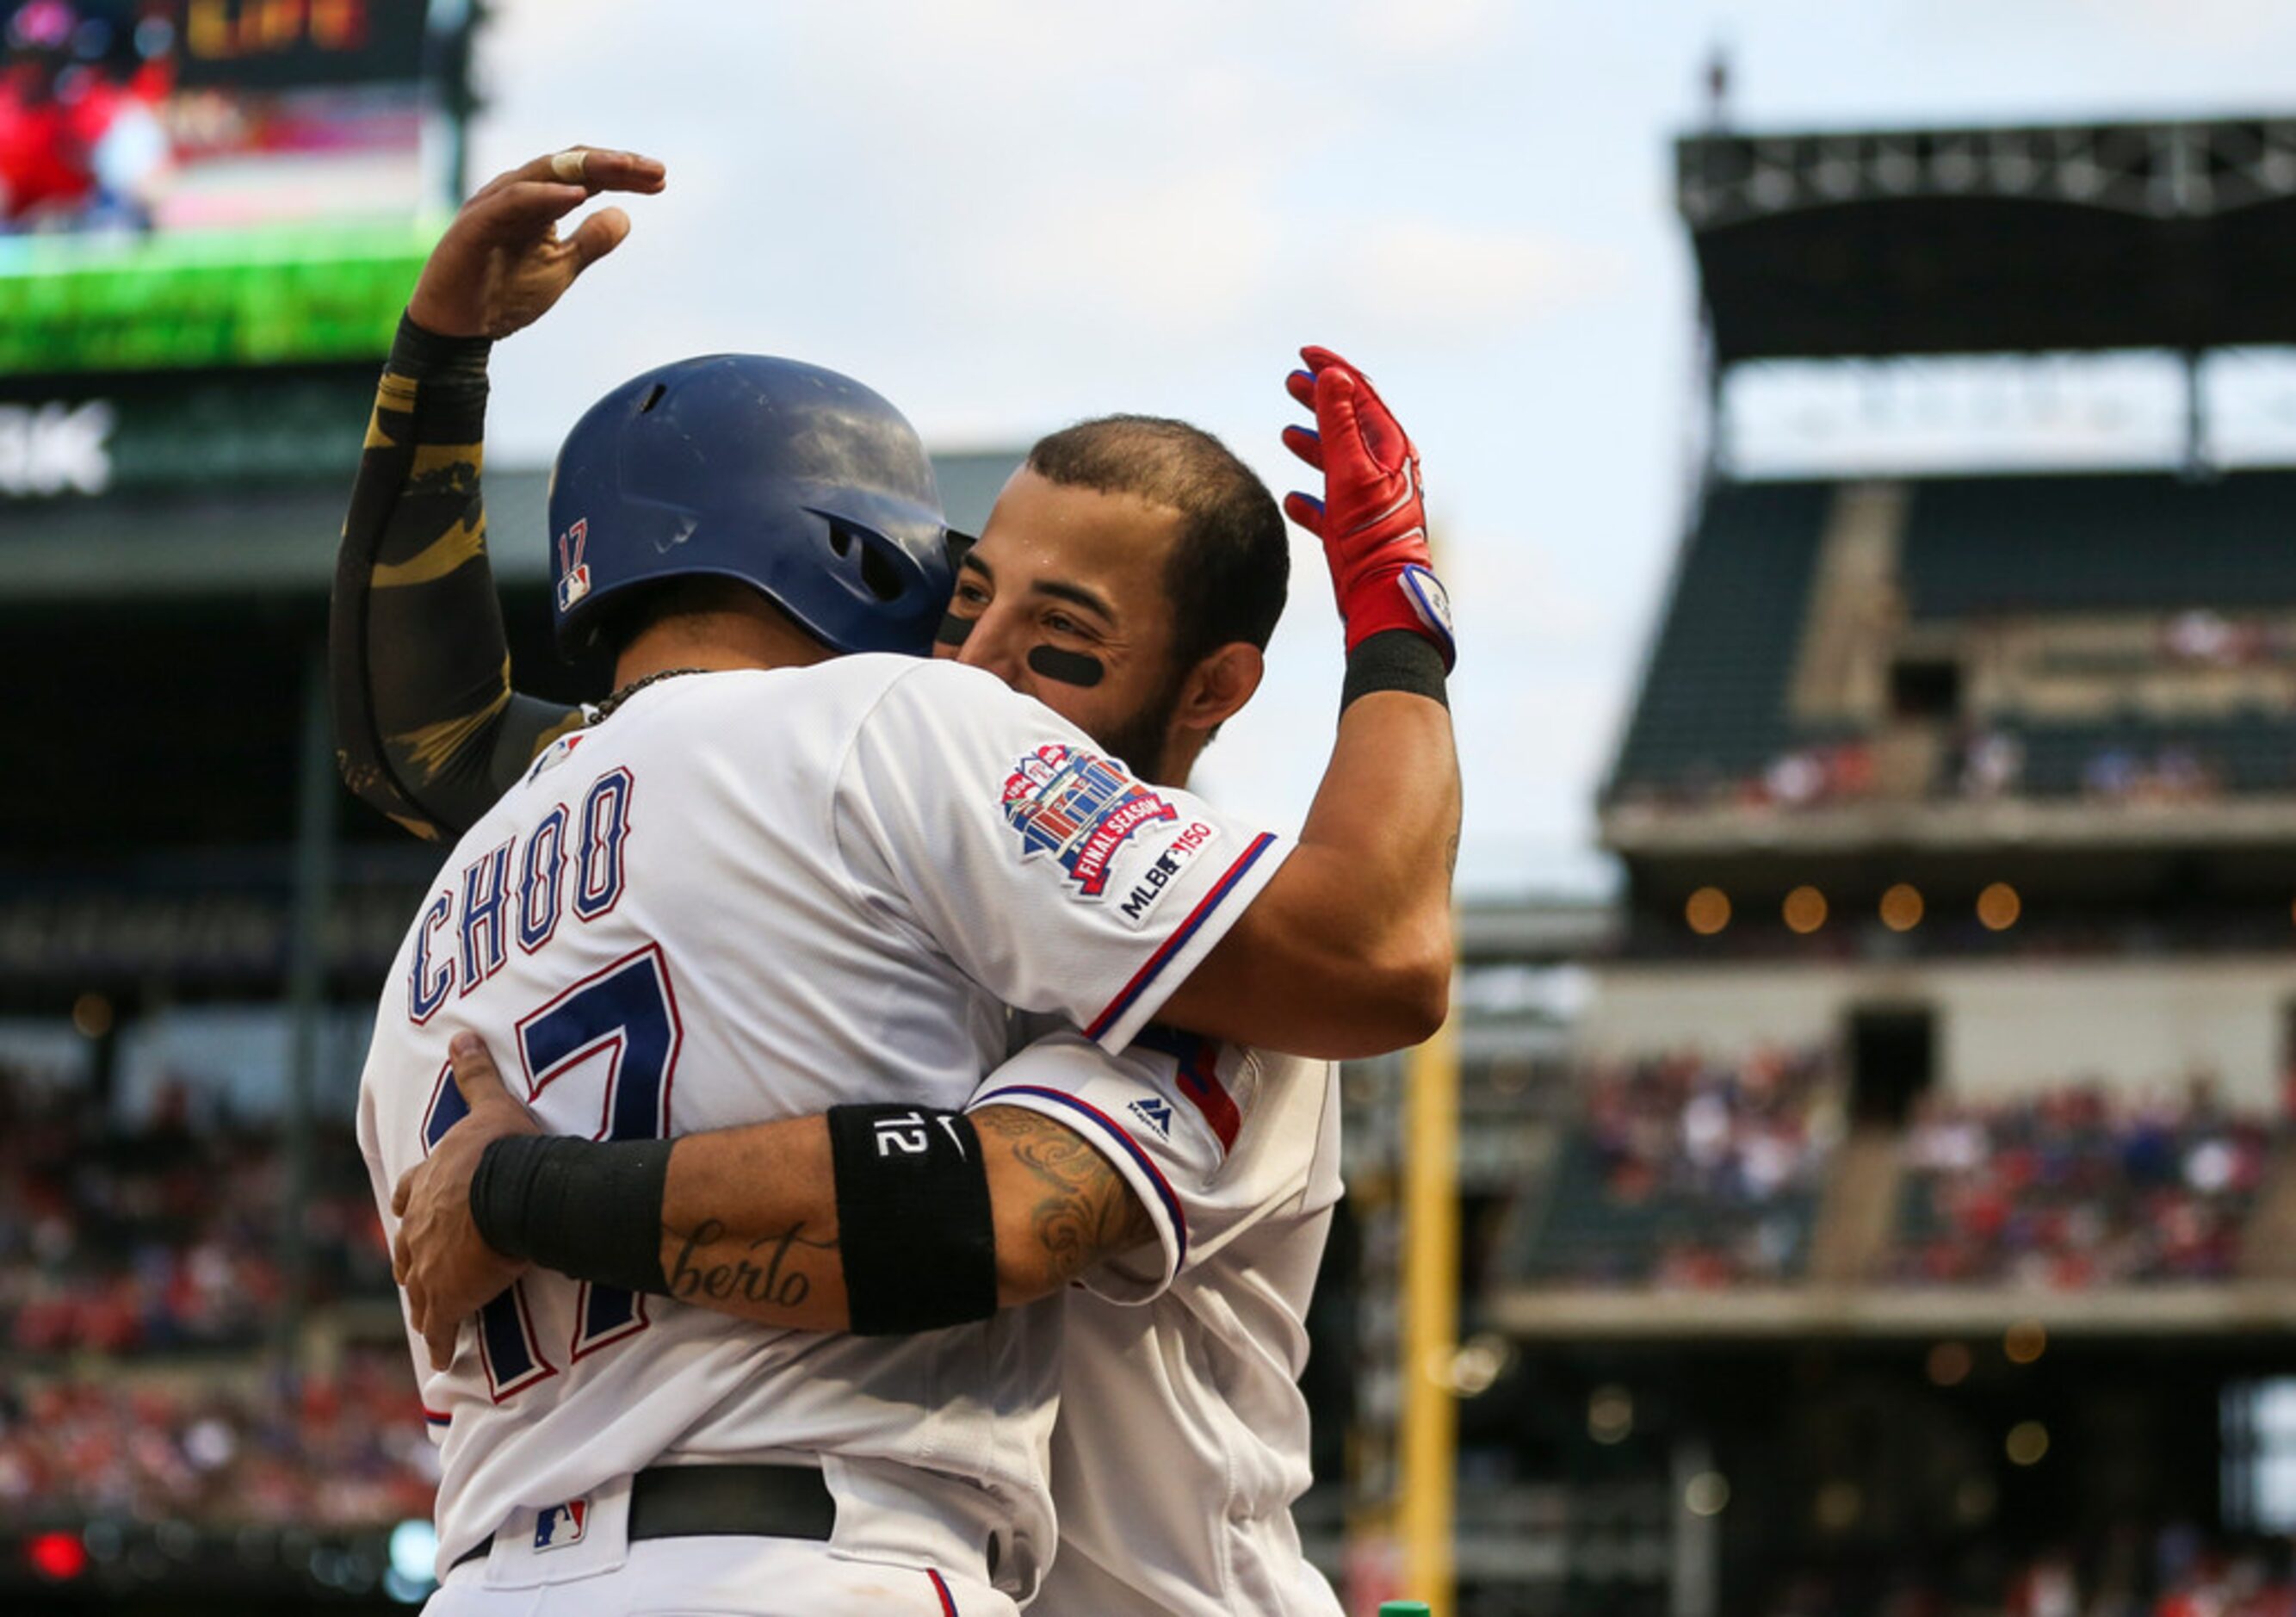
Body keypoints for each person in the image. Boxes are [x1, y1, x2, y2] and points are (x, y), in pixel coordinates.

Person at [338, 149, 1460, 1615]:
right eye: (970, 597)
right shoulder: (870, 772)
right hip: (822, 1553)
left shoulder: (1189, 914)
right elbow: (446, 749)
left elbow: (1000, 1208)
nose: (982, 662)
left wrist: (519, 1185)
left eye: (1060, 636)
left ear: (1213, 689)